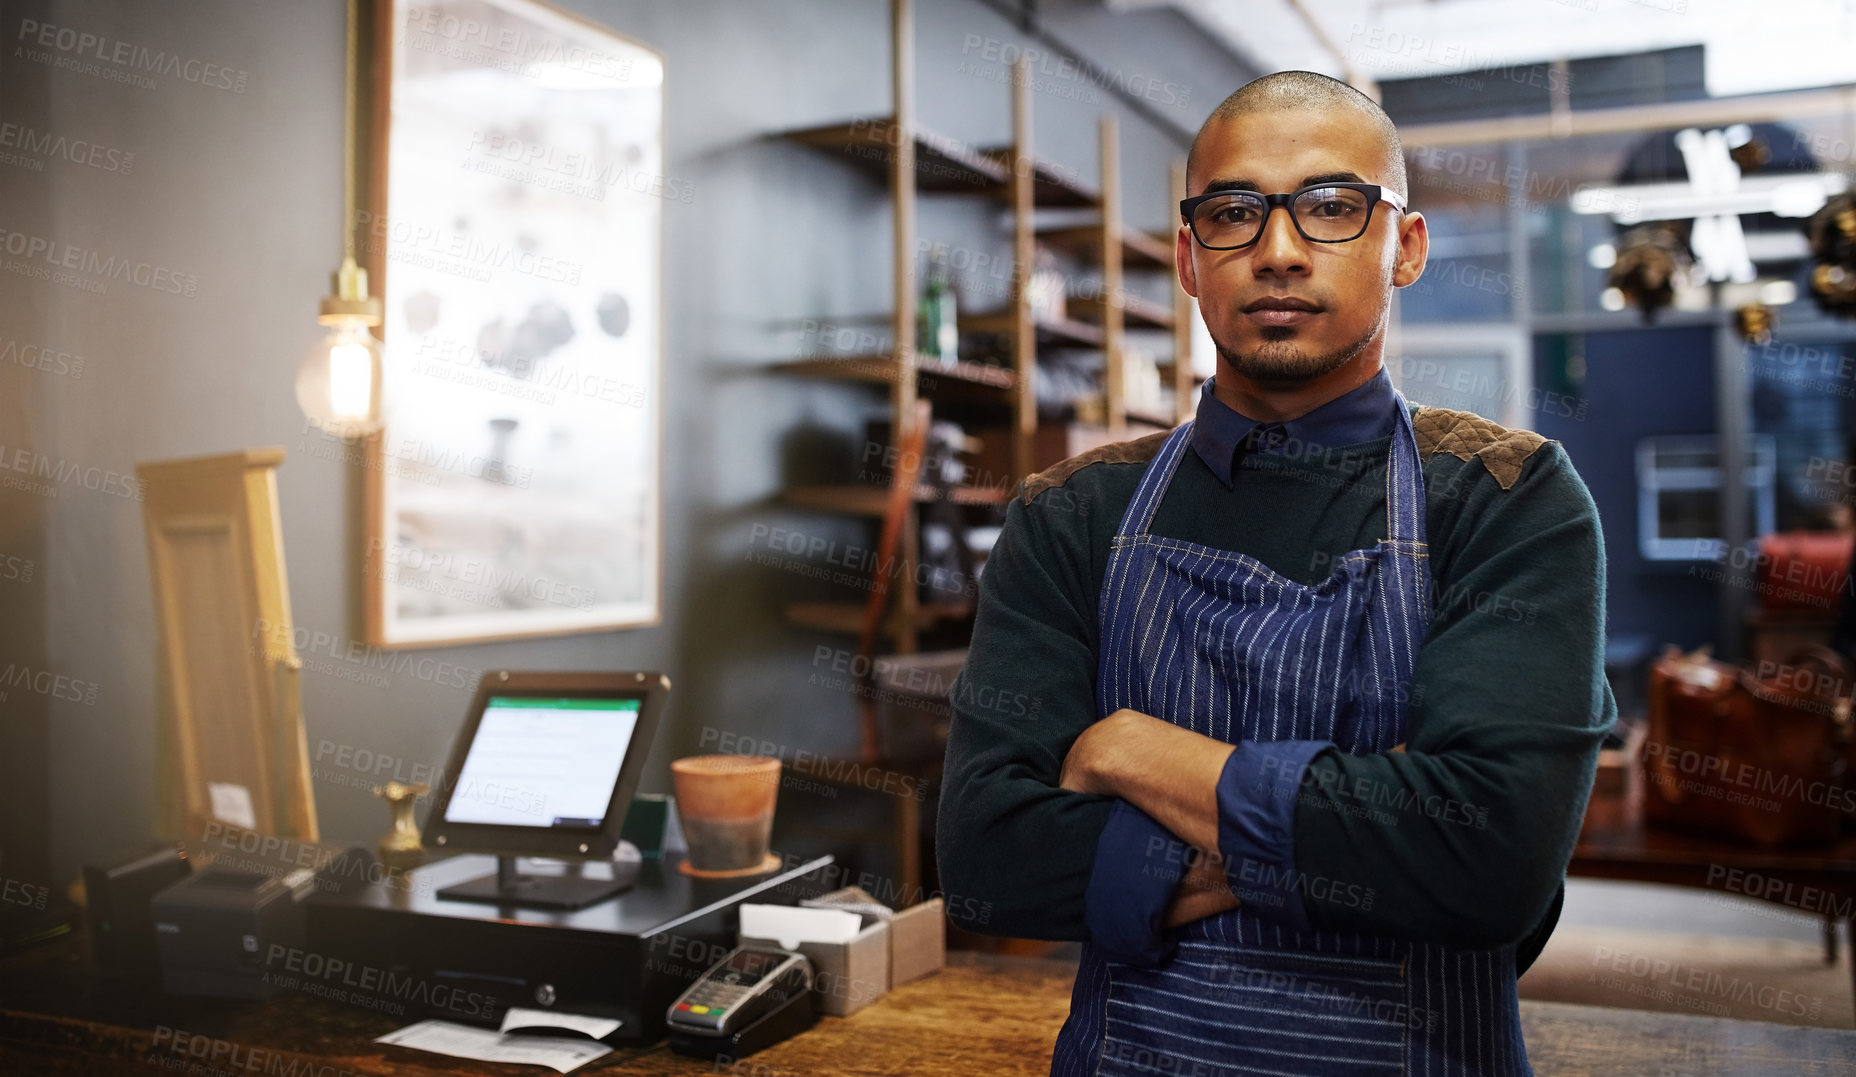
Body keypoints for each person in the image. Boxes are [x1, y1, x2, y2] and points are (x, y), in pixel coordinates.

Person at [936, 70, 1615, 1076]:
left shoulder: (1503, 498)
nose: (1279, 251)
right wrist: (1360, 837)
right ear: (1187, 257)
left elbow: (1489, 863)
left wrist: (1130, 755)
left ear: (1406, 248)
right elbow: (987, 865)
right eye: (1232, 213)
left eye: (1333, 208)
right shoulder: (1072, 514)